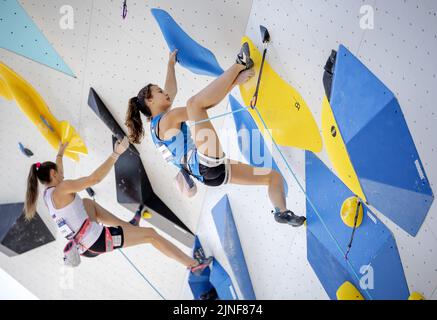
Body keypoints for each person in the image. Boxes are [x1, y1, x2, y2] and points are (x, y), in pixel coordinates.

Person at [125, 44, 306, 226]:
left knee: (273, 177)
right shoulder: (168, 119)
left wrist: (170, 65)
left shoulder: (157, 127)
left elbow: (172, 90)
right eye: (159, 92)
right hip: (204, 162)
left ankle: (281, 211)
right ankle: (239, 62)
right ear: (150, 101)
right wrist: (235, 78)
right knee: (193, 104)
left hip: (211, 176)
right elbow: (201, 106)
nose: (165, 93)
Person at [24, 139, 212, 274]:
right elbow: (94, 179)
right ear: (52, 174)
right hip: (97, 242)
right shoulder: (62, 187)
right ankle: (193, 264)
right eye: (59, 173)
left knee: (88, 203)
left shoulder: (48, 194)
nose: (63, 175)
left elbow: (59, 171)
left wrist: (60, 152)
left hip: (82, 244)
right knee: (151, 236)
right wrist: (116, 154)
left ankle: (128, 226)